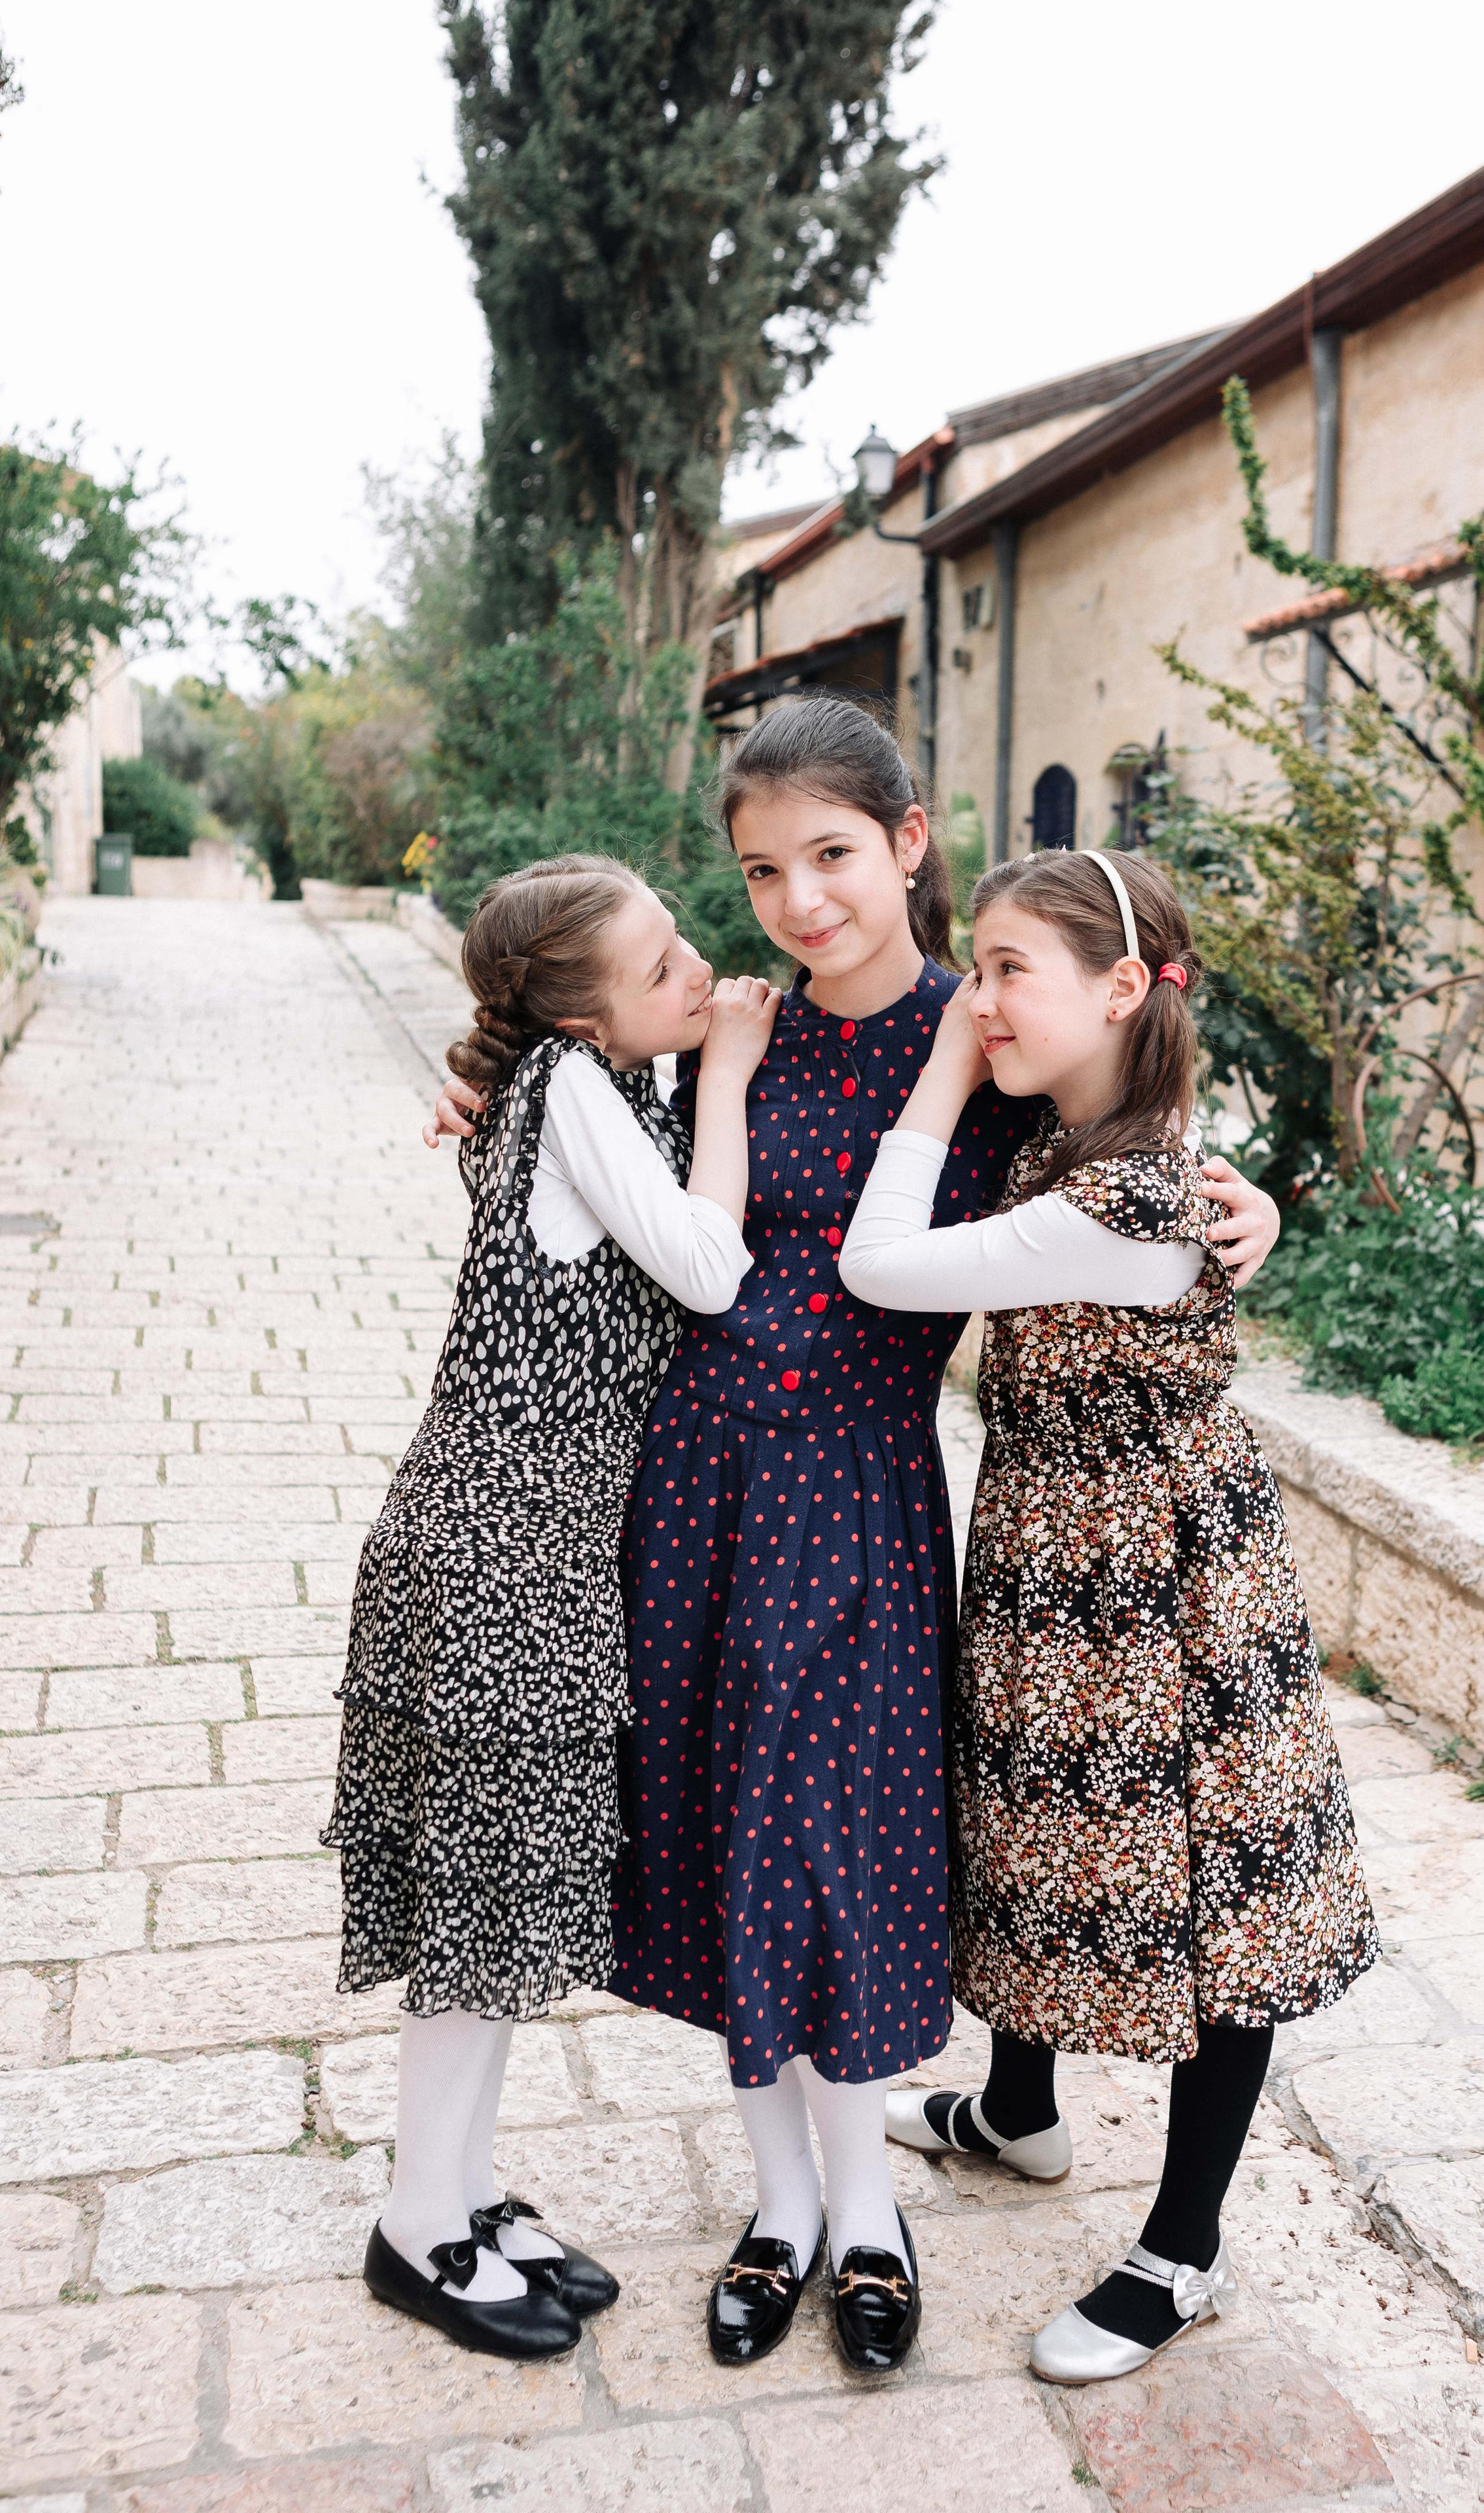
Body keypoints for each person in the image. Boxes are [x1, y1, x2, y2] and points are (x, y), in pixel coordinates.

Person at [429, 701, 1278, 2374]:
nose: (799, 900)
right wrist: (478, 1096)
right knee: (726, 1842)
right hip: (686, 1490)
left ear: (905, 842)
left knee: (845, 1850)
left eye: (829, 855)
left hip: (863, 1496)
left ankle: (872, 2218)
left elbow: (1132, 1139)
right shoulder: (704, 1032)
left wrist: (1248, 1198)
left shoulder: (985, 1043)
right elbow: (560, 1086)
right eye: (760, 870)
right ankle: (781, 2208)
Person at [838, 844, 1378, 2386]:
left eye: (1010, 971)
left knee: (1205, 1902)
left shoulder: (1130, 1197)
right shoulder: (1090, 1135)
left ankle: (1182, 2250)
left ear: (1124, 986)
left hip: (1159, 1583)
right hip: (1051, 1552)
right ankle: (1018, 2112)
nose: (977, 997)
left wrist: (943, 1068)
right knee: (1033, 1833)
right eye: (979, 967)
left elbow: (882, 1266)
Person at [325, 854, 779, 2362]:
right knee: (480, 1906)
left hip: (525, 1541)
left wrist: (687, 1066)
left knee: (502, 1896)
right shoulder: (590, 1093)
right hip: (502, 1547)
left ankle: (458, 2191)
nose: (696, 971)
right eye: (659, 968)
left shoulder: (591, 1088)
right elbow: (708, 1271)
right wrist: (728, 1073)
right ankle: (415, 2227)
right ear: (580, 1019)